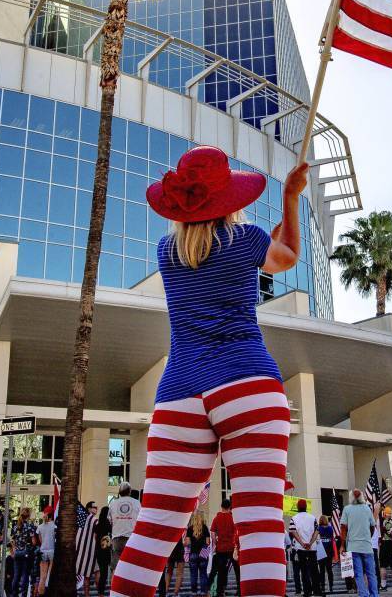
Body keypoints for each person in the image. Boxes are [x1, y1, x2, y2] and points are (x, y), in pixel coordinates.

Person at [108, 149, 309, 597]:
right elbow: (287, 255)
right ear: (229, 198)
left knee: (153, 530)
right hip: (247, 384)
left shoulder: (167, 251)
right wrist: (291, 197)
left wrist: (273, 228)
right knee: (259, 526)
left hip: (179, 394)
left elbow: (247, 251)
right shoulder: (247, 239)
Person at [343, 490, 380, 597]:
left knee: (358, 573)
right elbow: (372, 526)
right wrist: (368, 536)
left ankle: (363, 594)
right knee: (371, 573)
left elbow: (343, 528)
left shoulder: (347, 509)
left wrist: (342, 545)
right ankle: (374, 594)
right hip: (367, 546)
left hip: (353, 546)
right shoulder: (367, 509)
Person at [289, 500, 322, 596]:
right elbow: (317, 531)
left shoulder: (294, 518)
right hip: (312, 548)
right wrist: (310, 543)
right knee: (314, 570)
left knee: (304, 571)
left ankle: (307, 591)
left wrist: (302, 543)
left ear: (297, 507)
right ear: (306, 507)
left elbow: (293, 532)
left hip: (300, 548)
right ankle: (317, 591)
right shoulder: (312, 517)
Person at [209, 499, 237, 597]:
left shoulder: (217, 518)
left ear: (221, 506)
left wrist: (216, 542)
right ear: (230, 507)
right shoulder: (233, 518)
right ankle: (239, 590)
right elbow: (236, 532)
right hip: (232, 547)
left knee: (221, 571)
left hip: (220, 548)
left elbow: (212, 533)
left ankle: (220, 591)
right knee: (236, 570)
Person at [110, 483, 141, 562]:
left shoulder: (113, 503)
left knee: (116, 565)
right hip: (132, 538)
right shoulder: (137, 503)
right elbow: (141, 520)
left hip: (117, 538)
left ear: (119, 492)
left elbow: (110, 521)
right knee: (130, 563)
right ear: (130, 491)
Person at [187, 512, 211, 597]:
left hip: (193, 554)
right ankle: (203, 592)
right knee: (203, 574)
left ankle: (194, 592)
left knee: (193, 574)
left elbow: (188, 543)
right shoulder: (205, 528)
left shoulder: (190, 529)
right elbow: (208, 542)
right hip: (203, 554)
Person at [36, 512, 57, 596]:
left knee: (42, 575)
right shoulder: (54, 526)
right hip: (52, 551)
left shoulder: (40, 527)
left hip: (43, 551)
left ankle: (41, 593)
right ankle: (48, 592)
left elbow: (40, 539)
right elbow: (55, 538)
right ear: (51, 517)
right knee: (50, 574)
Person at [95, 506, 114, 595]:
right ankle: (106, 592)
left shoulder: (98, 524)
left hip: (99, 551)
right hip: (106, 552)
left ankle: (100, 593)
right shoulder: (108, 524)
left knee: (102, 572)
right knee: (108, 572)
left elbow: (95, 537)